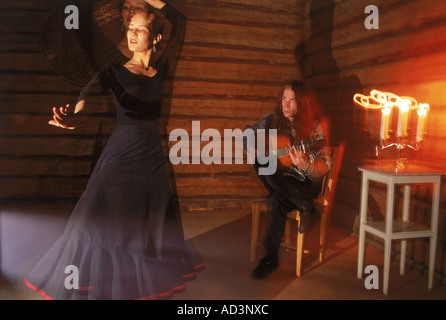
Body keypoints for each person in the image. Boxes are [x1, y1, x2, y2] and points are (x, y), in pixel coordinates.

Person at [24, 1, 203, 300]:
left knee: (145, 225)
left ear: (156, 36)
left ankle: (137, 281)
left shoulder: (165, 66)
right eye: (129, 28)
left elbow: (179, 20)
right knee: (91, 218)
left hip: (153, 160)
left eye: (140, 28)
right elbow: (88, 92)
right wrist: (74, 114)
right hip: (121, 153)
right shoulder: (113, 71)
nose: (132, 34)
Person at [244, 80, 332, 279]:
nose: (286, 104)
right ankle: (304, 206)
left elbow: (325, 166)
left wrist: (305, 165)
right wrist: (251, 147)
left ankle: (270, 258)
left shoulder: (315, 129)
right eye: (284, 98)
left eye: (292, 100)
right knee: (262, 161)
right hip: (282, 181)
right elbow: (247, 132)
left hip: (305, 184)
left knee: (276, 201)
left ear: (301, 104)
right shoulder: (272, 120)